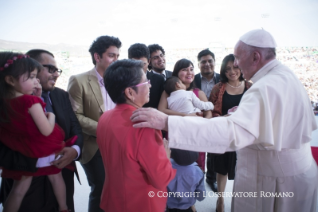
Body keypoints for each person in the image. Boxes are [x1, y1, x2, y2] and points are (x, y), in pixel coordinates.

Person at [131, 29, 318, 212]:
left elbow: (231, 133)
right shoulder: (284, 75)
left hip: (275, 183)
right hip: (292, 174)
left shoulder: (264, 87)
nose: (235, 63)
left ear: (255, 57)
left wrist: (167, 122)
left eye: (237, 57)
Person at [0, 49, 83, 212]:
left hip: (61, 179)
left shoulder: (61, 95)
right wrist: (28, 158)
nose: (56, 74)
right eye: (50, 69)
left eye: (57, 70)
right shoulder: (4, 103)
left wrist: (75, 150)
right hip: (26, 184)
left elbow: (75, 128)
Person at [97, 59, 176, 212]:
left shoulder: (105, 118)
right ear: (130, 92)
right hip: (142, 204)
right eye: (146, 82)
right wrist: (166, 156)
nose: (150, 85)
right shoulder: (144, 124)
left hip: (113, 200)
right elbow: (161, 179)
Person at [67, 35, 121, 212]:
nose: (115, 60)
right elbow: (75, 116)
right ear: (97, 57)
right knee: (100, 188)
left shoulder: (119, 82)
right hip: (93, 145)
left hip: (119, 144)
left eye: (117, 56)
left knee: (116, 188)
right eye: (111, 55)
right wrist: (106, 130)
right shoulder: (79, 80)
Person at [209, 54, 252, 212]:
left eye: (234, 67)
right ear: (223, 72)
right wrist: (223, 118)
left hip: (245, 136)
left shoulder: (250, 87)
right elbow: (210, 111)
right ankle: (220, 200)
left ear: (240, 67)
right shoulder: (218, 88)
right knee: (222, 169)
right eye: (227, 69)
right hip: (224, 134)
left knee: (244, 168)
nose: (232, 71)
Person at [158, 59, 211, 172]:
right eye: (184, 70)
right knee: (173, 169)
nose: (189, 72)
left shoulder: (198, 93)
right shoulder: (167, 93)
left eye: (191, 69)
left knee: (196, 170)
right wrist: (186, 115)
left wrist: (202, 126)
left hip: (197, 135)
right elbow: (161, 110)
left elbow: (208, 113)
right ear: (177, 73)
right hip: (175, 134)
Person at [194, 49, 219, 192]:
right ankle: (198, 179)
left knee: (214, 152)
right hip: (198, 121)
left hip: (216, 120)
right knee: (199, 153)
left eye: (210, 61)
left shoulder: (222, 79)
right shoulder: (193, 79)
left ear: (215, 62)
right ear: (199, 64)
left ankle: (211, 178)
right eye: (203, 61)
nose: (207, 64)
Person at [128, 43, 165, 108]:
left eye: (143, 64)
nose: (139, 68)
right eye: (136, 64)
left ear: (149, 61)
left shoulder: (159, 80)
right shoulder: (124, 80)